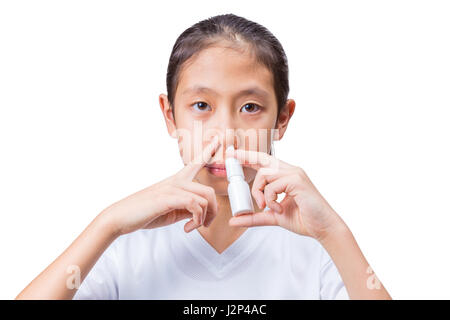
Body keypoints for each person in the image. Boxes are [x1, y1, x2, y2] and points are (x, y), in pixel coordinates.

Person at [16, 13, 392, 300]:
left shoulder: (317, 249)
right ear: (170, 116)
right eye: (201, 105)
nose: (225, 133)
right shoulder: (123, 248)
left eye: (249, 107)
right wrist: (107, 225)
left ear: (282, 118)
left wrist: (334, 232)